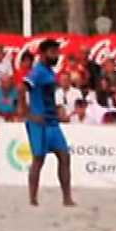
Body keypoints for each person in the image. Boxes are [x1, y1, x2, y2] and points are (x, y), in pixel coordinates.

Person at [20, 39, 75, 207]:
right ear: (43, 54)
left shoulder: (50, 71)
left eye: (57, 52)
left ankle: (67, 198)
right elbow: (22, 88)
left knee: (64, 156)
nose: (56, 56)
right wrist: (28, 113)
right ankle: (33, 198)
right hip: (40, 122)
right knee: (38, 159)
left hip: (52, 121)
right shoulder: (37, 72)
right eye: (53, 52)